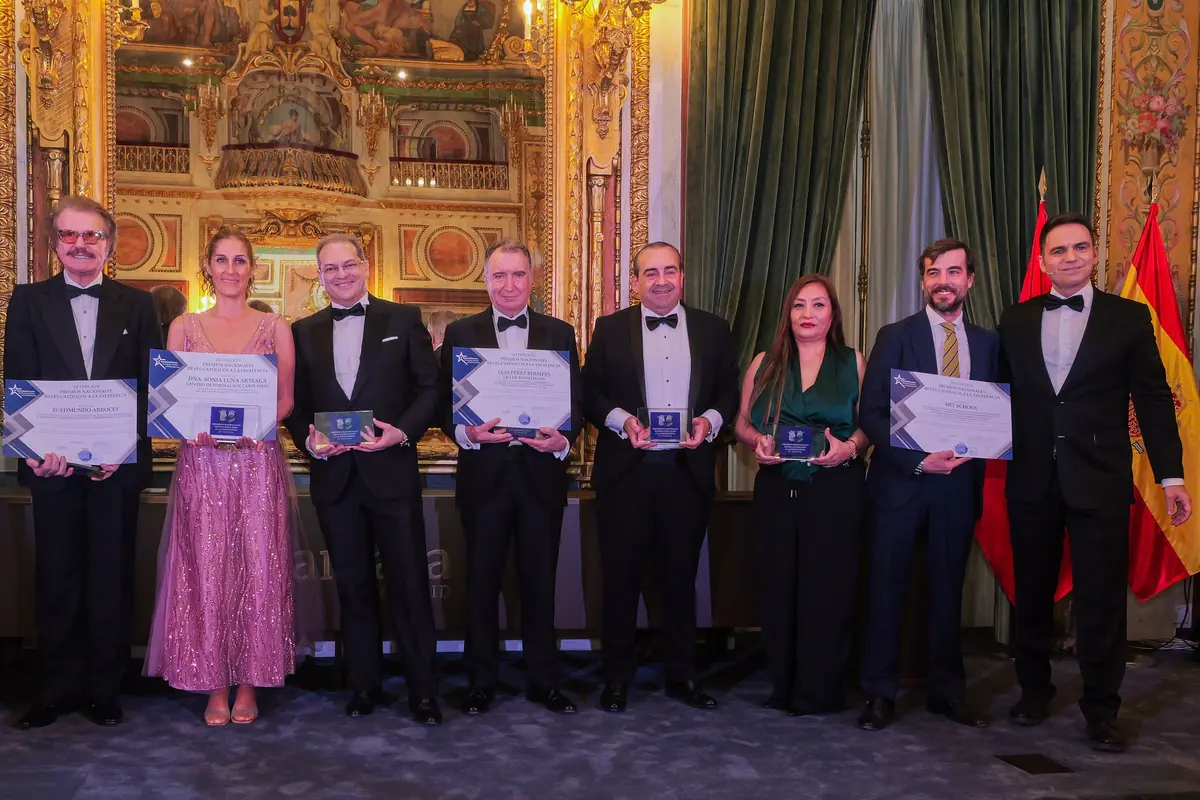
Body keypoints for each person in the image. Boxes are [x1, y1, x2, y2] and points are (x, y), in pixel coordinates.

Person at [1000, 212, 1192, 752]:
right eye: (1058, 251)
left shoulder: (1129, 318)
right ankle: (1033, 692)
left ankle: (1102, 710)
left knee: (1102, 600)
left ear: (1094, 254)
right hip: (1031, 479)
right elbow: (995, 398)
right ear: (1042, 262)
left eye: (1079, 248)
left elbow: (1154, 400)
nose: (1070, 257)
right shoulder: (1014, 320)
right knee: (1032, 594)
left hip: (1100, 480)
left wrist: (1170, 476)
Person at [4, 196, 160, 729]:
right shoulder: (26, 302)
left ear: (109, 244)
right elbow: (18, 382)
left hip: (115, 470)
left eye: (92, 236)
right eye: (70, 235)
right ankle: (56, 687)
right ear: (54, 244)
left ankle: (104, 688)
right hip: (53, 467)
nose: (80, 244)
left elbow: (150, 392)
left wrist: (128, 451)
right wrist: (32, 452)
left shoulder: (139, 306)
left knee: (110, 578)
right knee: (57, 578)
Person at [143, 228, 302, 727]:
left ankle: (250, 682)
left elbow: (286, 399)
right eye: (221, 260)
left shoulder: (276, 326)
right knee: (205, 568)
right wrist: (192, 430)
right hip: (203, 464)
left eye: (239, 261)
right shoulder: (183, 328)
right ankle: (213, 683)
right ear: (207, 267)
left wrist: (260, 427)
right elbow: (168, 404)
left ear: (252, 268)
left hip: (257, 462)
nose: (231, 269)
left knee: (258, 566)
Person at [284, 233, 443, 724]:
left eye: (348, 265)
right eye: (329, 269)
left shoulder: (403, 319)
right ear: (319, 274)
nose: (340, 275)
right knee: (351, 586)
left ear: (366, 265)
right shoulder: (302, 330)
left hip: (391, 473)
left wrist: (403, 432)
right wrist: (309, 441)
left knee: (410, 585)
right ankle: (364, 686)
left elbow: (430, 388)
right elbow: (294, 405)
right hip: (336, 479)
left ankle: (423, 692)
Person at [582, 242, 739, 712]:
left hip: (685, 473)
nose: (661, 280)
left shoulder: (714, 329)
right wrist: (622, 421)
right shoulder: (610, 329)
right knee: (621, 582)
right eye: (650, 273)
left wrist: (708, 423)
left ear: (682, 276)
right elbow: (590, 392)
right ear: (635, 282)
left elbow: (729, 392)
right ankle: (616, 679)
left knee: (679, 580)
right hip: (626, 474)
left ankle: (683, 677)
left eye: (670, 270)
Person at [856, 239, 998, 731]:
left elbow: (995, 415)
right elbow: (871, 413)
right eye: (934, 273)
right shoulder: (894, 335)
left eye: (953, 272)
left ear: (969, 280)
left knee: (946, 591)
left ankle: (947, 692)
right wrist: (918, 462)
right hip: (901, 483)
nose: (944, 281)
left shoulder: (988, 343)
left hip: (957, 487)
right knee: (886, 589)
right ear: (923, 281)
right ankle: (878, 694)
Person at [438, 239, 584, 716]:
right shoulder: (461, 333)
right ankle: (481, 682)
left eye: (518, 275)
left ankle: (544, 680)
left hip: (540, 480)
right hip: (484, 481)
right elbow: (443, 404)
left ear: (532, 279)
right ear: (486, 281)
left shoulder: (559, 333)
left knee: (540, 586)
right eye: (499, 276)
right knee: (480, 586)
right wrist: (467, 431)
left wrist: (562, 440)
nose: (508, 284)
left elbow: (576, 403)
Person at [733, 274, 867, 717]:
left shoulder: (854, 362)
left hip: (835, 492)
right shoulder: (763, 363)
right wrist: (758, 445)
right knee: (779, 588)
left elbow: (872, 426)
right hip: (776, 489)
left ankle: (822, 689)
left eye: (818, 305)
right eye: (799, 306)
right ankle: (783, 685)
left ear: (833, 315)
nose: (807, 314)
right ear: (787, 314)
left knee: (827, 591)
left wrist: (849, 447)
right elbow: (741, 424)